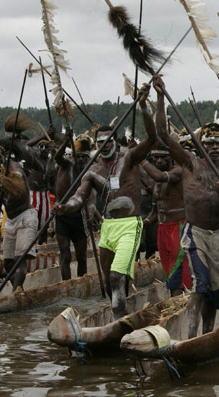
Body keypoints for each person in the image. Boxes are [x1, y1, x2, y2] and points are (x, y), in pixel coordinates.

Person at [53, 83, 156, 319]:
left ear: (115, 142)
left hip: (130, 225)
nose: (104, 145)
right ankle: (122, 310)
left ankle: (120, 322)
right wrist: (63, 207)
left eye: (108, 141)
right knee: (111, 283)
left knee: (116, 276)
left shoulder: (129, 159)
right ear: (96, 146)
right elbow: (79, 198)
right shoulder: (92, 170)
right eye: (100, 143)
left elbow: (151, 138)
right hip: (108, 228)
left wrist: (143, 106)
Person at [152, 76, 219, 338]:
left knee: (214, 292)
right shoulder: (190, 164)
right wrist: (159, 97)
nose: (213, 147)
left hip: (217, 237)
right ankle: (191, 336)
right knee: (200, 286)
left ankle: (207, 335)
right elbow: (162, 135)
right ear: (202, 145)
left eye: (218, 143)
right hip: (195, 233)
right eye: (209, 143)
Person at [0, 137, 38, 292]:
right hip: (10, 220)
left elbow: (19, 194)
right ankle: (18, 289)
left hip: (26, 216)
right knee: (8, 263)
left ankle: (16, 291)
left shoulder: (15, 170)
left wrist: (6, 181)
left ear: (4, 157)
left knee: (20, 259)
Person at [142, 141, 192, 296]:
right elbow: (155, 212)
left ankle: (179, 305)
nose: (159, 161)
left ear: (170, 157)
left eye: (163, 157)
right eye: (155, 157)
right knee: (169, 272)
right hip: (162, 230)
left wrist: (141, 160)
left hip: (179, 227)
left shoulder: (178, 172)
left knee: (178, 274)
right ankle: (174, 303)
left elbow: (160, 175)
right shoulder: (156, 182)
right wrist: (144, 223)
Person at [53, 132, 93, 280]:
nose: (81, 159)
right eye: (79, 156)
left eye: (84, 157)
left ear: (89, 157)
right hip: (61, 215)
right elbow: (57, 157)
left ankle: (81, 283)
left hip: (79, 216)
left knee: (81, 256)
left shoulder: (90, 171)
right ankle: (66, 285)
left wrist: (92, 212)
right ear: (73, 156)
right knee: (65, 254)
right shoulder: (67, 164)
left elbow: (91, 196)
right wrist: (66, 142)